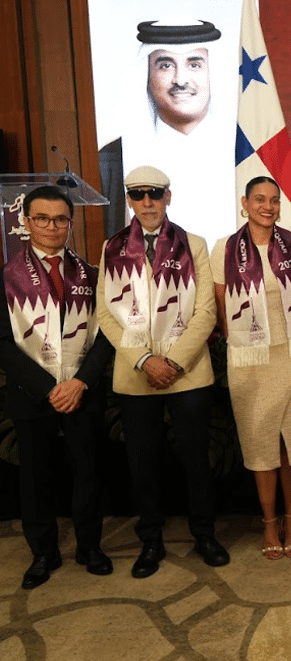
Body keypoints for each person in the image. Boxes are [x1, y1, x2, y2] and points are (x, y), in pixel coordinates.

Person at [97, 165, 229, 578]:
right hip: (136, 376)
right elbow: (105, 312)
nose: (148, 202)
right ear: (131, 200)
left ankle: (204, 534)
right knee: (143, 463)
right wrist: (144, 360)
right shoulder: (112, 247)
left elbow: (207, 310)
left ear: (168, 196)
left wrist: (172, 362)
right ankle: (150, 540)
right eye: (138, 195)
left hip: (187, 373)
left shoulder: (194, 243)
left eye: (155, 193)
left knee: (195, 459)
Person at [0, 186, 114, 589]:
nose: (52, 227)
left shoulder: (92, 276)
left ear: (70, 222)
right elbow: (2, 344)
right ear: (26, 222)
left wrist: (81, 381)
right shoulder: (6, 279)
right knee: (36, 477)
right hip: (34, 395)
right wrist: (49, 387)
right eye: (43, 219)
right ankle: (43, 553)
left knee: (88, 472)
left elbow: (107, 336)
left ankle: (90, 546)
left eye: (61, 219)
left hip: (82, 390)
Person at [212, 177, 291, 559]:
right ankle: (269, 522)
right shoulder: (223, 248)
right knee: (262, 443)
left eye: (274, 200)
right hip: (251, 360)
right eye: (260, 199)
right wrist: (244, 343)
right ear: (245, 203)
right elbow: (221, 306)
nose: (268, 206)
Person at [98, 19, 234, 242]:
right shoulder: (112, 158)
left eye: (195, 64)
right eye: (166, 65)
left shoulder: (246, 149)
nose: (180, 80)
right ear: (147, 76)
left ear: (214, 73)